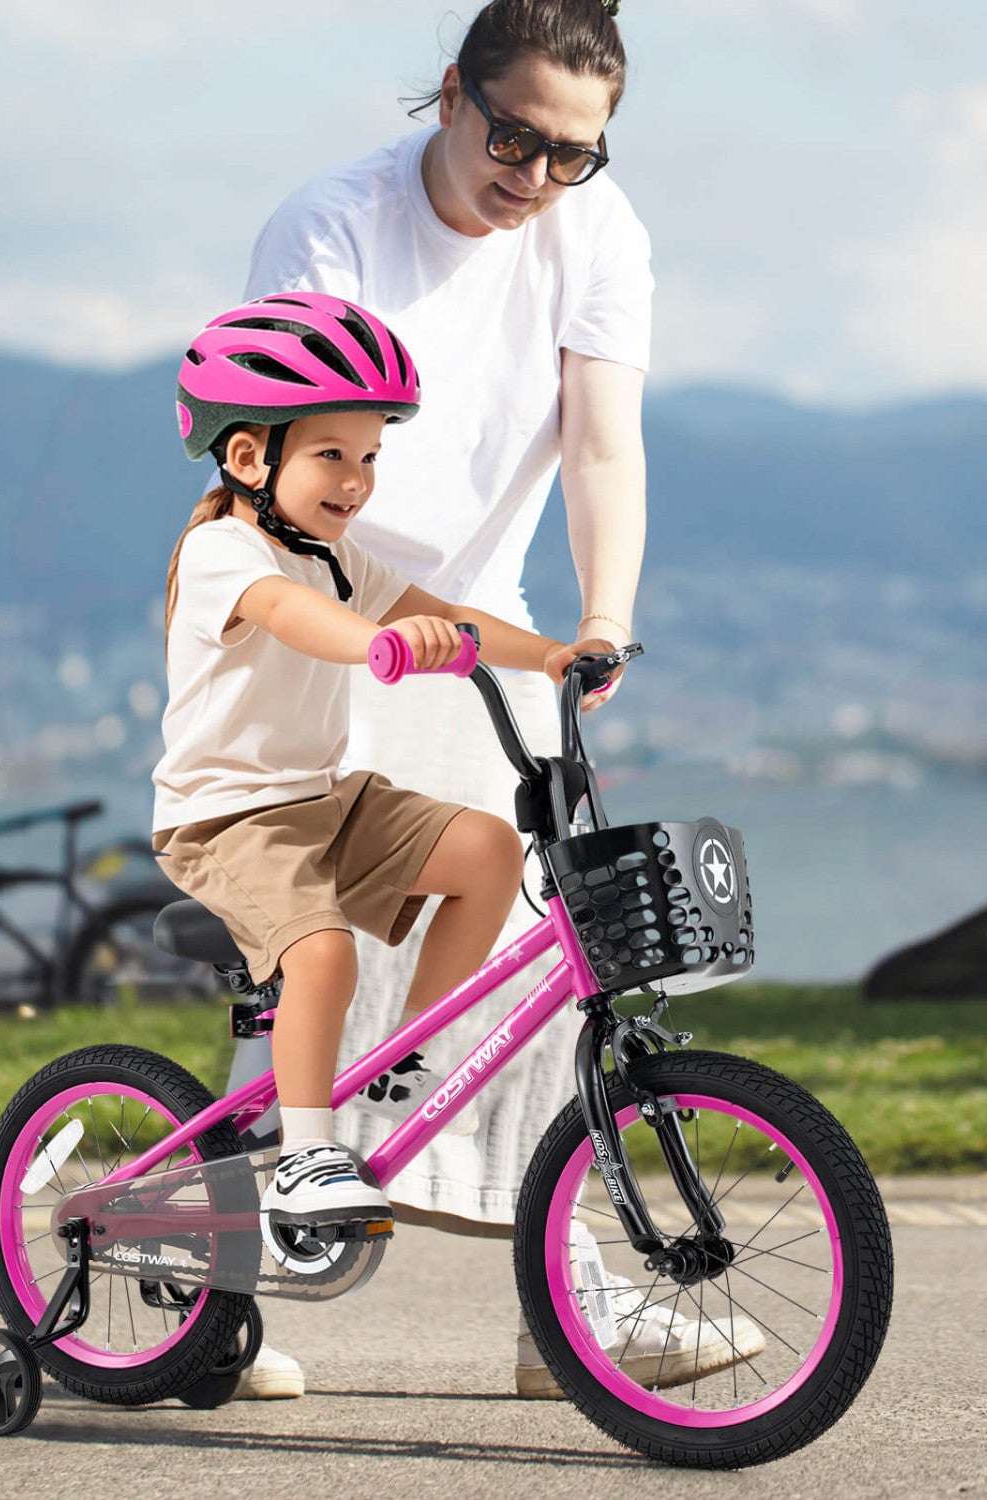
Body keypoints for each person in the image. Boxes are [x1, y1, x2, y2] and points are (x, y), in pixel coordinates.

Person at [213, 0, 710, 1400]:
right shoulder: (331, 230)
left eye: (573, 153)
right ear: (450, 95)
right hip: (324, 621)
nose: (537, 176)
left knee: (544, 966)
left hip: (487, 628)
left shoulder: (598, 236)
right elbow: (295, 464)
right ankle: (214, 1294)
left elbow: (602, 447)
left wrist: (601, 620)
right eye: (513, 138)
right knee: (309, 966)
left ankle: (569, 1316)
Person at [152, 292, 599, 1233]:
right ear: (249, 457)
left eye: (370, 457)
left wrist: (552, 655)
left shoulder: (338, 557)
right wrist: (374, 645)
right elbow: (291, 615)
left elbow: (451, 616)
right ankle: (306, 1156)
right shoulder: (224, 550)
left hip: (321, 799)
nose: (356, 480)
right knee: (323, 952)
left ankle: (408, 1057)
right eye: (332, 455)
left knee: (488, 849)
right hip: (226, 821)